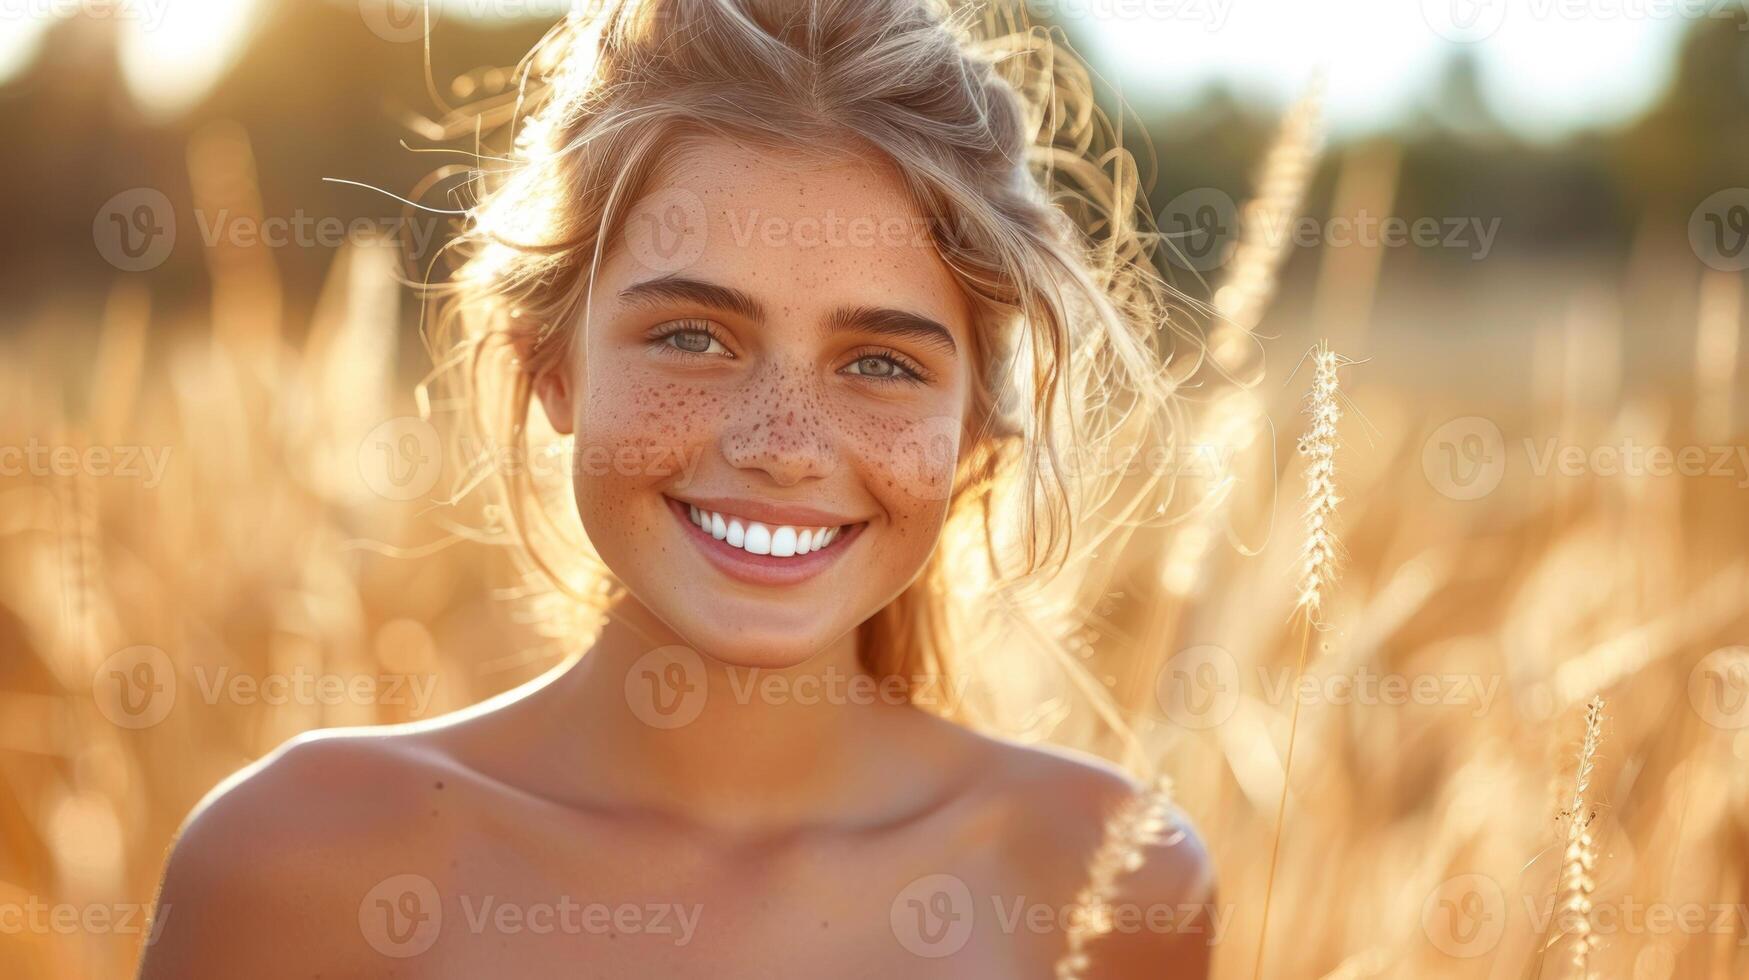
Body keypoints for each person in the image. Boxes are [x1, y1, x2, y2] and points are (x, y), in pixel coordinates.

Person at [140, 1, 1215, 975]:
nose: (782, 445)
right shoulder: (295, 864)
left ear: (975, 423)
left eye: (881, 362)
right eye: (693, 335)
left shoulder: (1112, 879)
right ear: (547, 364)